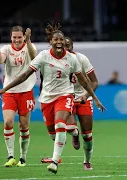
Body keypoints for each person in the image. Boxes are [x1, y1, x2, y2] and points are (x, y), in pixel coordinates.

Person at [0, 22, 106, 174]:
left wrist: (94, 98)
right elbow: (25, 74)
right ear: (51, 42)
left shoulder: (74, 59)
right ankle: (72, 136)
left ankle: (55, 162)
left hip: (66, 95)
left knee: (62, 126)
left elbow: (85, 81)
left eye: (62, 41)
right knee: (53, 133)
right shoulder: (43, 56)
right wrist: (5, 89)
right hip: (47, 99)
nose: (59, 43)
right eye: (56, 40)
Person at [41, 37, 98, 170]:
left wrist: (86, 95)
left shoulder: (81, 59)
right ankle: (74, 135)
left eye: (68, 45)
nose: (66, 48)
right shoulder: (55, 61)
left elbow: (94, 81)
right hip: (67, 97)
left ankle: (86, 161)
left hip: (83, 98)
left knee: (87, 134)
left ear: (72, 46)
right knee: (70, 128)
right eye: (63, 45)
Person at [0, 26, 37, 167]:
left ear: (23, 37)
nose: (17, 40)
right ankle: (10, 156)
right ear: (11, 37)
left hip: (26, 91)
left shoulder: (30, 46)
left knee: (24, 125)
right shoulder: (6, 49)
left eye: (19, 37)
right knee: (8, 122)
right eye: (14, 37)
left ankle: (23, 158)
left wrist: (27, 41)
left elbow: (34, 58)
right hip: (9, 92)